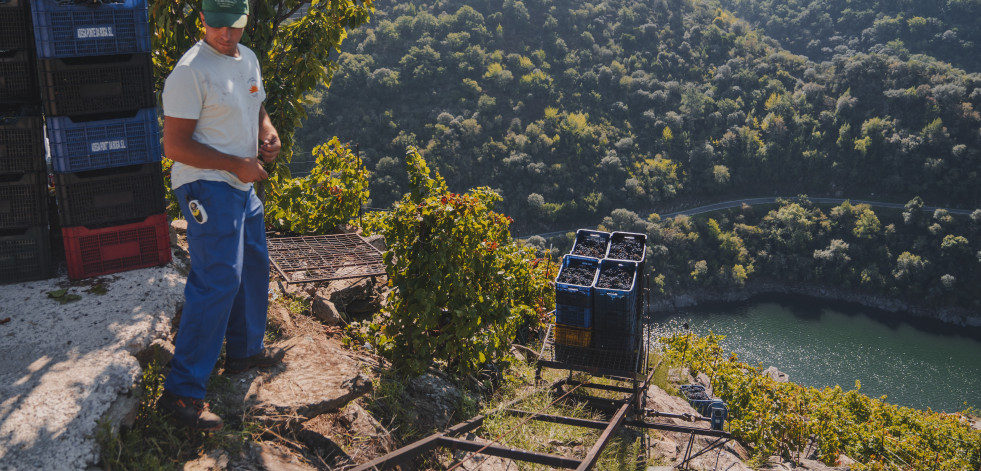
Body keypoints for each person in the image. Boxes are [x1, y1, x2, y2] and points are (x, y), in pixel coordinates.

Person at [157, 0, 284, 431]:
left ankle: (244, 352)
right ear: (202, 22)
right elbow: (174, 146)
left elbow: (256, 106)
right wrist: (235, 165)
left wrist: (267, 131)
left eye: (234, 27)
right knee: (218, 279)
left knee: (253, 266)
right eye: (217, 27)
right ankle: (181, 394)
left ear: (246, 23)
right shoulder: (191, 72)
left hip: (241, 183)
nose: (226, 35)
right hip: (206, 184)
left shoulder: (247, 58)